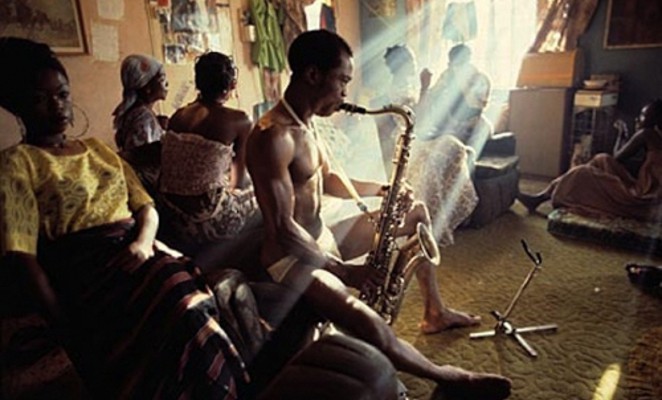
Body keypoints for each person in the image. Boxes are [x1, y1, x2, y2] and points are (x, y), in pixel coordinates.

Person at [245, 29, 511, 399]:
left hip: (322, 237)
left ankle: (434, 311)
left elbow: (327, 178)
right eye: (342, 81)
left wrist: (383, 190)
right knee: (368, 323)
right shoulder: (272, 136)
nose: (345, 93)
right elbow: (283, 229)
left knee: (416, 213)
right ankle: (450, 377)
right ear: (313, 75)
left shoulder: (307, 124)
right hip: (290, 258)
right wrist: (344, 271)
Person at [0, 37, 250, 399]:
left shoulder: (97, 149)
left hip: (140, 250)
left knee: (188, 300)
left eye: (63, 94)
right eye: (40, 99)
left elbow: (145, 206)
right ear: (18, 106)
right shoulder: (17, 164)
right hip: (91, 273)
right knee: (180, 303)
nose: (57, 106)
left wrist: (144, 243)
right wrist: (62, 323)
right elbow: (23, 256)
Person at [156, 51, 260, 253]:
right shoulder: (239, 120)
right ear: (232, 84)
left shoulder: (177, 116)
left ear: (198, 82)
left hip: (171, 216)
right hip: (207, 220)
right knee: (267, 192)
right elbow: (239, 180)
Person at [375, 44, 479, 246]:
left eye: (414, 60)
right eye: (411, 61)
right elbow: (415, 120)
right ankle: (429, 222)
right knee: (450, 148)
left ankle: (446, 215)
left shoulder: (408, 84)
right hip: (406, 141)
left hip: (419, 137)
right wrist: (424, 87)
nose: (415, 64)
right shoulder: (396, 88)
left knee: (456, 147)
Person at [517, 99, 662, 222]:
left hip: (642, 198)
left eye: (643, 115)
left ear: (655, 120)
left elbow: (618, 156)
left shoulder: (646, 134)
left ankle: (543, 197)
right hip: (646, 191)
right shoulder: (655, 136)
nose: (638, 119)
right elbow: (616, 159)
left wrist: (621, 135)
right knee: (602, 159)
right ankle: (545, 195)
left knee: (582, 172)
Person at [418, 43, 492, 155]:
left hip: (474, 127)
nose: (453, 66)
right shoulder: (447, 76)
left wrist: (458, 81)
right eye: (453, 62)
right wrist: (426, 87)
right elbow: (433, 97)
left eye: (459, 63)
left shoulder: (480, 79)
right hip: (450, 127)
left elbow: (476, 106)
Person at [112, 54, 168, 151]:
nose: (166, 83)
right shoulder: (144, 118)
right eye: (162, 79)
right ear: (148, 88)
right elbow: (146, 155)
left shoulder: (137, 112)